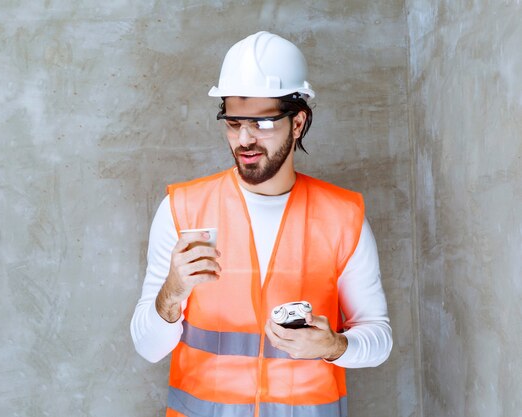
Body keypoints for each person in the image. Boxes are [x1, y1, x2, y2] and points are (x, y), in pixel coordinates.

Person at [130, 31, 392, 417]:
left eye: (263, 123)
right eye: (234, 123)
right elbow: (148, 347)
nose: (245, 139)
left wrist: (332, 346)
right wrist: (172, 292)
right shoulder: (182, 209)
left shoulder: (342, 217)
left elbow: (379, 338)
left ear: (298, 123)